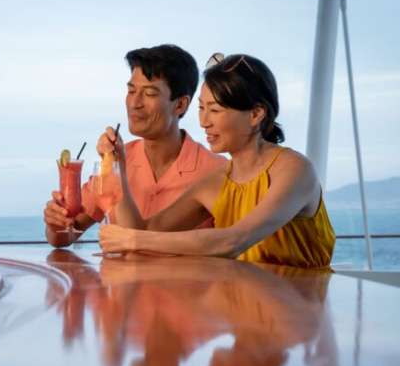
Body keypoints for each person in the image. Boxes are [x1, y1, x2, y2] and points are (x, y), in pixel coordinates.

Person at [99, 53, 335, 269]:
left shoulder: (295, 170)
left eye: (214, 110)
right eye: (201, 108)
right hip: (244, 310)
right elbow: (141, 231)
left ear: (255, 114)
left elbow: (234, 241)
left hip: (302, 310)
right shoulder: (216, 182)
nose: (203, 122)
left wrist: (134, 240)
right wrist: (115, 165)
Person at [44, 44, 226, 247]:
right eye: (131, 91)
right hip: (117, 279)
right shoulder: (114, 160)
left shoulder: (216, 171)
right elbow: (66, 235)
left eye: (149, 94)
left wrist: (117, 171)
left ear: (180, 104)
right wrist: (55, 223)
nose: (134, 103)